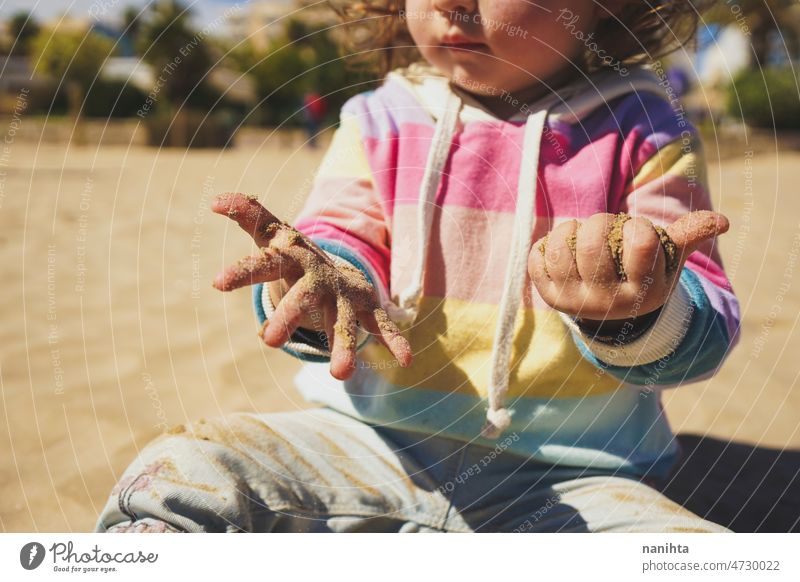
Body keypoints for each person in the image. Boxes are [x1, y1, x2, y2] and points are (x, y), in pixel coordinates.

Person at [96, 0, 739, 533]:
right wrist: (325, 287)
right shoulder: (378, 116)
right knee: (184, 468)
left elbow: (703, 328)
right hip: (362, 444)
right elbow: (336, 237)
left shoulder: (649, 129)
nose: (449, 3)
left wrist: (637, 307)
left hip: (582, 475)